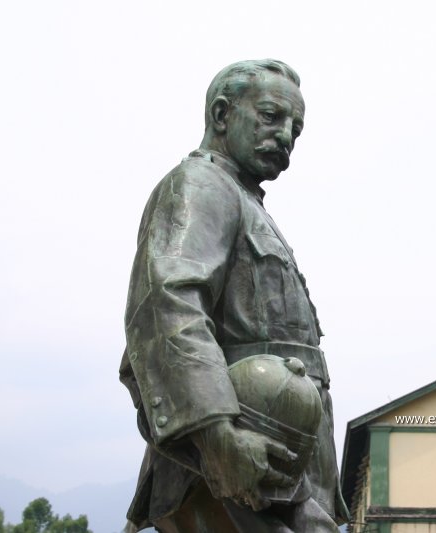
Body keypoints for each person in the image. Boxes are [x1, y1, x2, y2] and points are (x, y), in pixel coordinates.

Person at [119, 59, 347, 532]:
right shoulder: (200, 185)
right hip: (238, 461)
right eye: (271, 116)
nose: (285, 136)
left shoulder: (244, 200)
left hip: (282, 462)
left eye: (296, 129)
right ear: (222, 115)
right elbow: (169, 308)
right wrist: (216, 434)